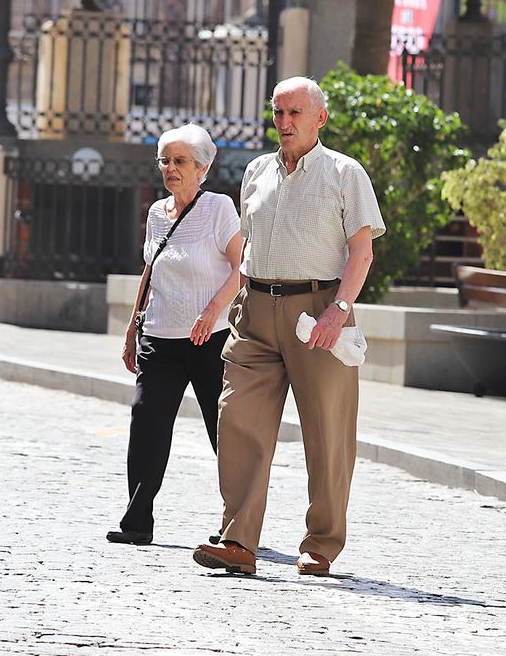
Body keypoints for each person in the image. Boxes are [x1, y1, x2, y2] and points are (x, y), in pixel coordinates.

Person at [192, 77, 385, 577]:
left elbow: (362, 252)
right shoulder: (256, 171)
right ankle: (238, 540)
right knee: (237, 420)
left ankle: (321, 544)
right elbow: (249, 247)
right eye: (278, 113)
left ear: (320, 118)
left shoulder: (345, 173)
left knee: (328, 432)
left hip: (318, 311)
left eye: (295, 113)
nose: (284, 123)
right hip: (256, 310)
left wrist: (338, 309)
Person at [108, 124, 245, 546]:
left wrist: (211, 311)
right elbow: (150, 271)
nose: (170, 169)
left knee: (223, 432)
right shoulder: (155, 213)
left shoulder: (219, 208)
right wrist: (133, 327)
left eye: (180, 161)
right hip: (160, 338)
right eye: (164, 161)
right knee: (146, 424)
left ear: (202, 167)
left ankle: (237, 524)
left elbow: (242, 268)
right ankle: (137, 521)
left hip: (210, 340)